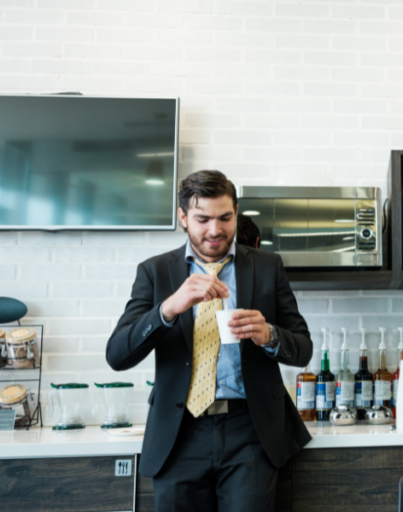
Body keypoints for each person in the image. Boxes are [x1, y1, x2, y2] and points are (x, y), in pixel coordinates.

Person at [106, 170, 312, 512]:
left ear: (236, 214)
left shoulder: (267, 266)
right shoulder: (155, 272)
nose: (215, 230)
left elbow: (302, 348)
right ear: (183, 217)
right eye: (202, 219)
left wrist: (270, 335)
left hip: (251, 431)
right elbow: (117, 354)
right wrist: (169, 308)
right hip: (179, 433)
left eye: (225, 218)